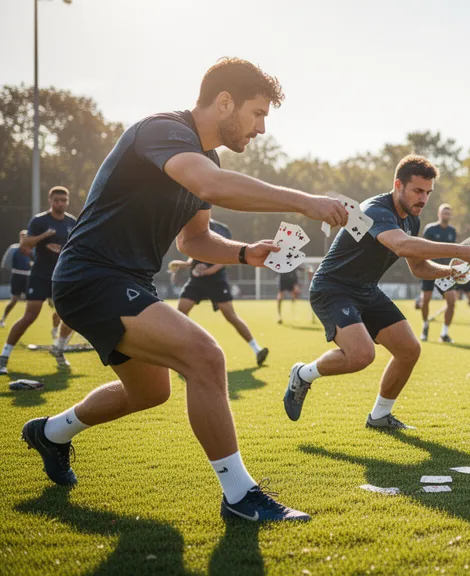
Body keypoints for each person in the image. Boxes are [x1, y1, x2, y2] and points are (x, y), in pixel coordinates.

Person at [20, 57, 350, 522]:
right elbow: (210, 184)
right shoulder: (162, 130)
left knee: (151, 392)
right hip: (90, 275)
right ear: (224, 101)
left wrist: (243, 253)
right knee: (206, 355)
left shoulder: (206, 159)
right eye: (257, 114)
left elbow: (193, 240)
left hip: (127, 281)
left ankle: (50, 434)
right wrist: (306, 202)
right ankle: (240, 497)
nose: (260, 129)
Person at [284, 155, 470, 430]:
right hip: (332, 288)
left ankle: (380, 416)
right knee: (361, 355)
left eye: (428, 193)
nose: (424, 199)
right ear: (398, 185)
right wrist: (461, 250)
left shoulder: (411, 220)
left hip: (366, 289)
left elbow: (417, 267)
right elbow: (402, 246)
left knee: (409, 350)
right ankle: (303, 374)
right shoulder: (376, 210)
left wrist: (448, 272)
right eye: (418, 191)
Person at [168, 219, 269, 367]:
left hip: (216, 281)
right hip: (197, 280)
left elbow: (228, 255)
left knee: (231, 316)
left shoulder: (222, 228)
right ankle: (181, 352)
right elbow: (194, 253)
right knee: (180, 313)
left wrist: (208, 271)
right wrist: (185, 265)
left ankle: (257, 349)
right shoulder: (191, 224)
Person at [0, 186, 77, 374]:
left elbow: (77, 246)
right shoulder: (40, 221)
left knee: (70, 315)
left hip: (62, 277)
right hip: (40, 275)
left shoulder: (72, 222)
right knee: (30, 316)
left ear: (67, 201)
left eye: (63, 200)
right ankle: (4, 356)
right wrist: (45, 237)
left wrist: (62, 250)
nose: (60, 203)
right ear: (50, 201)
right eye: (56, 200)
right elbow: (25, 245)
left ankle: (58, 349)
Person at [419, 203, 459, 343]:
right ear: (439, 214)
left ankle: (444, 333)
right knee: (425, 301)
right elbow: (423, 249)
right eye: (444, 212)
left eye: (448, 213)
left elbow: (454, 251)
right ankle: (425, 325)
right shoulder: (430, 229)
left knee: (452, 301)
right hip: (429, 269)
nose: (446, 215)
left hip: (446, 271)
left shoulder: (452, 231)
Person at [1, 232, 31, 328]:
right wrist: (14, 271)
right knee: (14, 300)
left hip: (28, 277)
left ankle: (26, 321)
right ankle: (3, 319)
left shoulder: (32, 249)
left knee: (32, 301)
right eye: (23, 237)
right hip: (17, 277)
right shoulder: (14, 248)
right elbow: (6, 262)